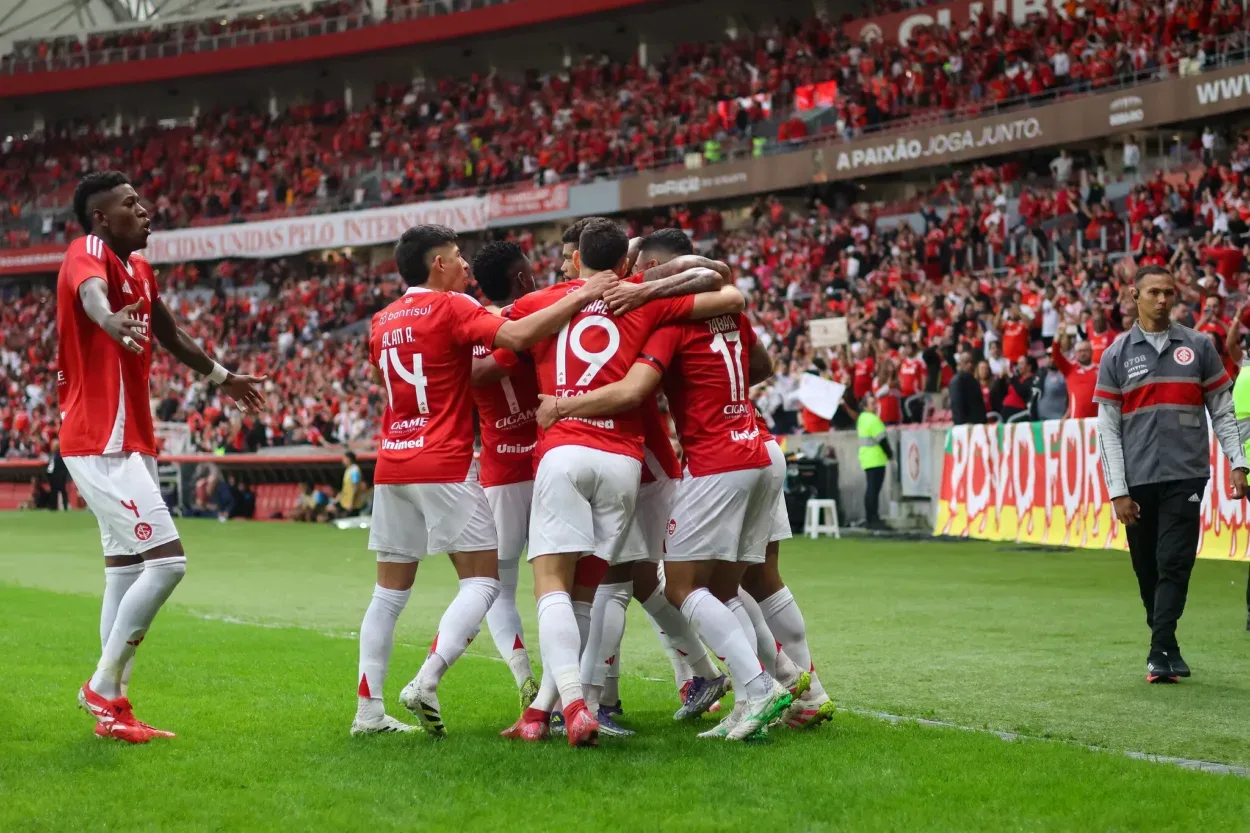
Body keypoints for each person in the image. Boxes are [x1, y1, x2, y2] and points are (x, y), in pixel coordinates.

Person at [352, 224, 616, 737]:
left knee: (387, 595)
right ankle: (426, 680)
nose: (465, 267)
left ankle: (368, 711)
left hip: (392, 464)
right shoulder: (450, 307)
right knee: (484, 580)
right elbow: (517, 337)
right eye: (456, 257)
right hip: (444, 462)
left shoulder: (382, 321)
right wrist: (583, 292)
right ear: (437, 266)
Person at [533, 228, 794, 741]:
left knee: (661, 584)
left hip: (669, 460)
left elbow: (633, 388)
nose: (564, 267)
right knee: (728, 584)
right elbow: (731, 293)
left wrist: (558, 405)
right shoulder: (688, 305)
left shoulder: (647, 311)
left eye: (568, 258)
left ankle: (755, 686)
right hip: (752, 445)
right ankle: (779, 687)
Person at [60, 171, 266, 743]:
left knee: (125, 574)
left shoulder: (141, 270)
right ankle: (101, 686)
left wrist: (222, 377)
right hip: (102, 439)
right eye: (130, 204)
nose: (145, 210)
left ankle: (114, 708)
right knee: (168, 562)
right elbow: (90, 294)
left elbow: (170, 333)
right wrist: (106, 320)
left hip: (130, 440)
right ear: (102, 218)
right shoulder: (88, 251)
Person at [1094, 265, 1248, 684]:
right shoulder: (1116, 355)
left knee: (1174, 562)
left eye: (1169, 293)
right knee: (1147, 568)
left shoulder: (1199, 346)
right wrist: (1117, 490)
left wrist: (1238, 462)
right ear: (1134, 295)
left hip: (1187, 476)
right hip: (1137, 479)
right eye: (1154, 293)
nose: (1163, 300)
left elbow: (1222, 410)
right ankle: (1167, 643)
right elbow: (1107, 429)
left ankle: (1159, 649)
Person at [468, 240, 542, 711]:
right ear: (522, 278)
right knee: (571, 583)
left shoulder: (464, 330)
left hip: (500, 473)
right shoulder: (539, 318)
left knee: (498, 587)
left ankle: (524, 679)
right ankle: (584, 692)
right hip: (548, 461)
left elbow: (466, 375)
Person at [856, 394, 891, 530]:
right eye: (872, 403)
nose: (875, 405)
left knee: (871, 489)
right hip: (876, 458)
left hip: (866, 458)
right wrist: (890, 455)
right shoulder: (873, 419)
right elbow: (882, 439)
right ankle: (874, 518)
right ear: (865, 406)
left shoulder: (862, 418)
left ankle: (869, 518)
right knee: (874, 490)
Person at [1049, 338, 1099, 418]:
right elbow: (1056, 355)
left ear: (1091, 351)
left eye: (1085, 350)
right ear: (1076, 354)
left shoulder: (1100, 370)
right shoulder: (1070, 369)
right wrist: (1057, 339)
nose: (1083, 353)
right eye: (1080, 351)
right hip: (1076, 419)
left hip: (1097, 418)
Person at [949, 352, 987, 425]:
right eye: (966, 362)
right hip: (966, 426)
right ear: (960, 364)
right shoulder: (957, 381)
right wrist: (962, 425)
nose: (970, 365)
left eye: (971, 362)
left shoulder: (973, 380)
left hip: (978, 424)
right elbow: (957, 406)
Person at [46, 437, 69, 510]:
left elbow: (63, 467)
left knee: (62, 492)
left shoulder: (60, 455)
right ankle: (53, 507)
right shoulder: (52, 455)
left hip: (59, 476)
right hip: (53, 477)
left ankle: (65, 506)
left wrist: (63, 476)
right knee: (54, 492)